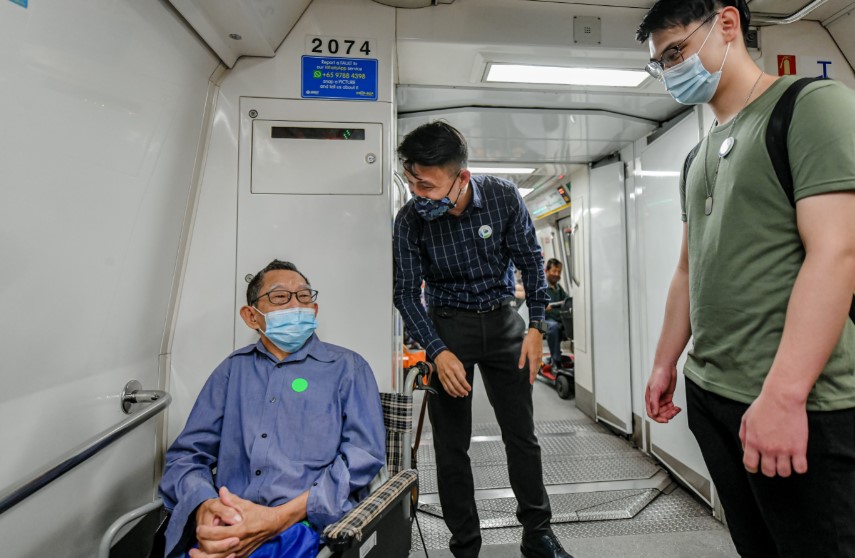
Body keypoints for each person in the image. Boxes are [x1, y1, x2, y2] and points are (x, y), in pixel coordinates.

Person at [637, 1, 855, 556]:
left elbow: (836, 253)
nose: (671, 70)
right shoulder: (698, 156)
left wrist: (784, 396)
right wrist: (667, 361)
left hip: (798, 401)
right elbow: (690, 268)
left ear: (727, 25)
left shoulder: (809, 107)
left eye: (676, 52)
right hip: (714, 396)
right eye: (661, 63)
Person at [393, 121, 573, 558]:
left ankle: (538, 532)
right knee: (451, 446)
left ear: (462, 178)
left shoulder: (502, 197)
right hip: (446, 325)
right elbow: (404, 292)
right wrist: (436, 351)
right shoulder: (411, 219)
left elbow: (531, 264)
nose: (419, 194)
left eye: (428, 185)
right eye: (412, 182)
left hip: (503, 323)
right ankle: (466, 545)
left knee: (522, 436)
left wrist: (534, 326)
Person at [159, 260, 385, 558]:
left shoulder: (348, 368)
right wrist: (205, 506)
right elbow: (186, 456)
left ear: (314, 311)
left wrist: (278, 518)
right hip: (227, 520)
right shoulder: (231, 371)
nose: (295, 304)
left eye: (304, 296)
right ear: (252, 316)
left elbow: (363, 456)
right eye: (280, 297)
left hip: (305, 526)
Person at [544, 258, 568, 367]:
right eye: (554, 271)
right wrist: (542, 307)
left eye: (559, 272)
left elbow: (567, 301)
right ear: (547, 271)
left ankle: (557, 354)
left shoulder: (559, 289)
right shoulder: (541, 288)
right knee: (553, 327)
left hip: (557, 321)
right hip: (539, 323)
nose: (556, 274)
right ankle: (556, 361)